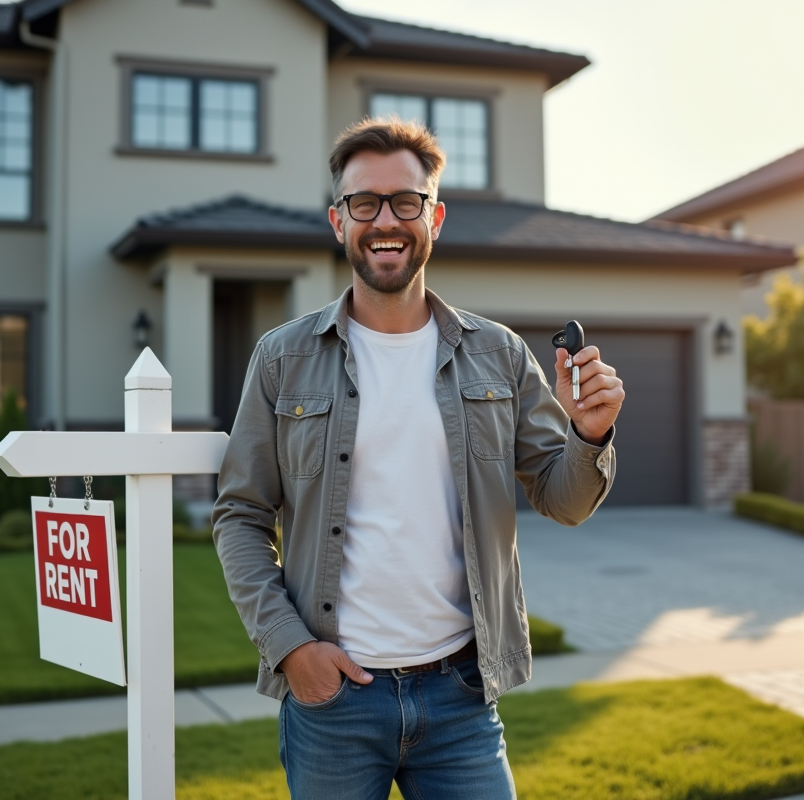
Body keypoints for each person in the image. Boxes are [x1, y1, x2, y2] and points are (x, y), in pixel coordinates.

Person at [211, 117, 624, 800]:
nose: (385, 220)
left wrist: (588, 436)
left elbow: (566, 501)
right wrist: (292, 649)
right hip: (332, 703)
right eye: (363, 203)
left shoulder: (498, 353)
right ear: (337, 221)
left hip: (461, 696)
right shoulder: (282, 358)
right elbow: (239, 516)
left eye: (405, 201)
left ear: (435, 216)